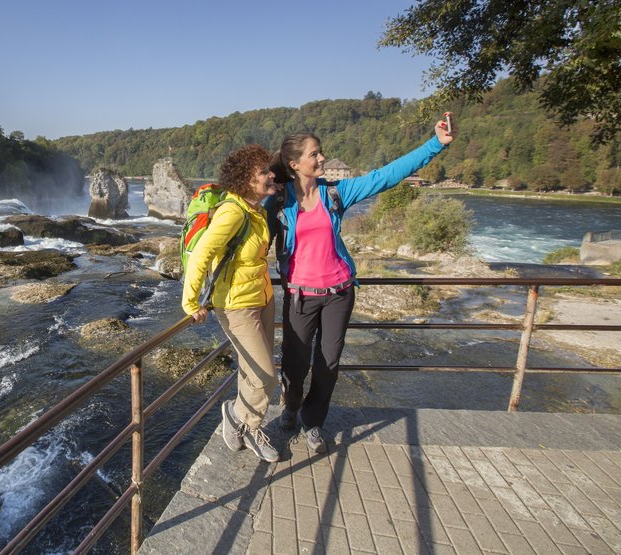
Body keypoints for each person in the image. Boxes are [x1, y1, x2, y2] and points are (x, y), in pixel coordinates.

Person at [264, 115, 457, 453]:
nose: (322, 159)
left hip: (339, 292)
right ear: (295, 164)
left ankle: (313, 421)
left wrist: (435, 145)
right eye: (315, 155)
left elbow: (385, 176)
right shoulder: (279, 203)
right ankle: (291, 406)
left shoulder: (336, 193)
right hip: (299, 297)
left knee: (329, 362)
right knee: (295, 365)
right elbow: (251, 240)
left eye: (320, 152)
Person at [181, 144, 280, 463]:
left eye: (269, 169)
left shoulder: (256, 210)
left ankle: (246, 422)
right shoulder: (233, 211)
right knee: (266, 376)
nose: (271, 175)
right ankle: (242, 420)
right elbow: (201, 255)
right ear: (246, 179)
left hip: (263, 298)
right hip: (236, 305)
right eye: (263, 171)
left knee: (253, 370)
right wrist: (190, 302)